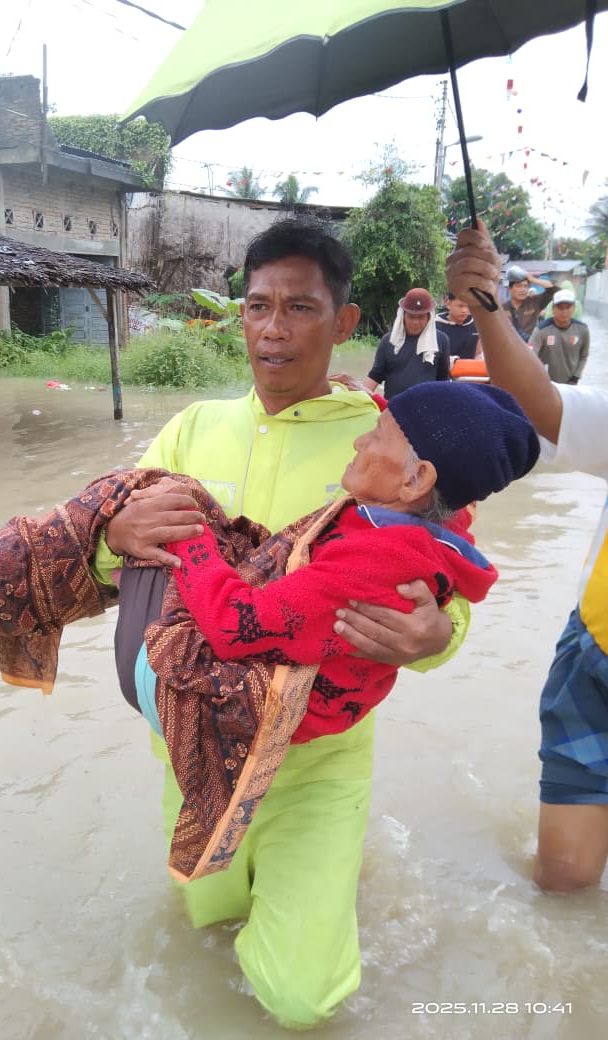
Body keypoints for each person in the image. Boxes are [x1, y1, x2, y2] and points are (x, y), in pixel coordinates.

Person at [96, 219, 468, 1029]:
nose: (273, 329)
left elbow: (451, 587)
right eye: (258, 306)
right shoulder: (191, 430)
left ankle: (322, 880)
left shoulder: (388, 443)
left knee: (302, 998)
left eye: (300, 307)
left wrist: (438, 638)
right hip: (192, 749)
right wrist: (112, 536)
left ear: (344, 321)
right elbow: (105, 559)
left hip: (318, 762)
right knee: (206, 929)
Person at [138, 381, 538, 748]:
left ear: (416, 480)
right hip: (306, 707)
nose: (359, 441)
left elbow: (233, 624)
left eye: (376, 434)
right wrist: (370, 401)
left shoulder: (377, 558)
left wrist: (187, 532)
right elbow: (421, 442)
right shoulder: (432, 526)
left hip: (233, 714)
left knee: (147, 497)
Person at [447, 219, 608, 894]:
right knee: (564, 880)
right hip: (599, 649)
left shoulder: (581, 337)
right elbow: (540, 402)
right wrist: (488, 307)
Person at [364, 287, 451, 399]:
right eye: (411, 316)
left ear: (429, 317)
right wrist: (359, 396)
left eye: (420, 317)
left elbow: (443, 381)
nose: (415, 322)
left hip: (427, 405)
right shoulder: (389, 341)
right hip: (392, 406)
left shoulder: (441, 341)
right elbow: (375, 375)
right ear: (403, 315)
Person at [528, 288, 590, 385]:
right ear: (553, 309)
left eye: (568, 307)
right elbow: (530, 354)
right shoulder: (541, 330)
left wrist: (575, 377)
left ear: (574, 308)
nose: (564, 312)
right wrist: (538, 375)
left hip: (570, 383)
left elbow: (584, 355)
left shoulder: (582, 330)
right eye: (560, 307)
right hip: (545, 382)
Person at [502, 265, 556, 341]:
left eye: (526, 286)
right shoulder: (502, 309)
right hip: (508, 345)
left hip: (530, 346)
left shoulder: (535, 302)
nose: (523, 290)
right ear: (510, 289)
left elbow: (553, 290)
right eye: (519, 286)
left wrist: (533, 280)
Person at [436, 292, 482, 359]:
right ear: (448, 304)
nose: (464, 310)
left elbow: (478, 354)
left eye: (468, 306)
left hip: (471, 365)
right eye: (460, 306)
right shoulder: (435, 326)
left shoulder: (476, 325)